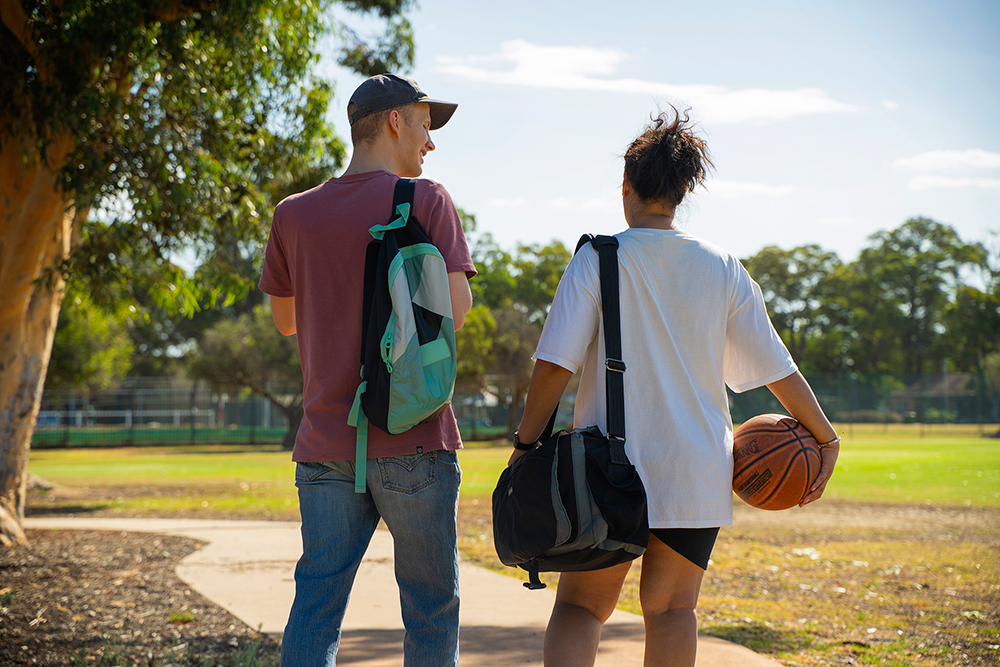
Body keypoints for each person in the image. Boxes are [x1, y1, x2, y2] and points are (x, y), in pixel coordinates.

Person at [509, 109, 840, 667]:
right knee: (672, 611)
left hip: (610, 469)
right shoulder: (724, 267)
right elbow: (777, 367)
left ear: (627, 187)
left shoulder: (598, 257)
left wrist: (525, 445)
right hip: (697, 468)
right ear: (684, 190)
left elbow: (553, 368)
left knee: (581, 610)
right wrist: (824, 438)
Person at [259, 73, 475, 667]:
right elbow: (455, 311)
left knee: (317, 607)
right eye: (426, 125)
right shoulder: (425, 200)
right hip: (414, 439)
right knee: (430, 610)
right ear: (395, 122)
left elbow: (285, 320)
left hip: (327, 442)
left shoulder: (292, 214)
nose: (430, 144)